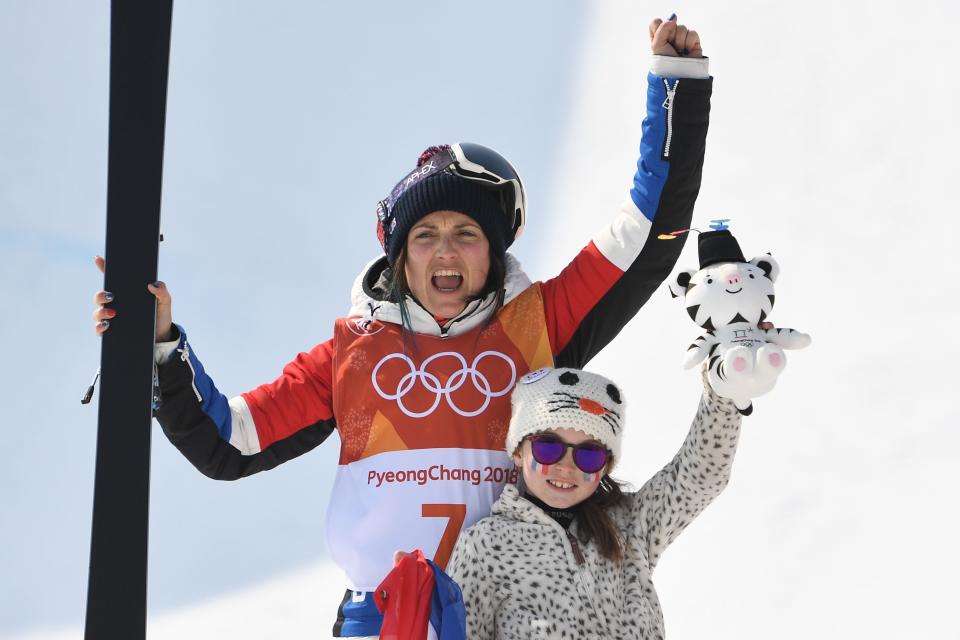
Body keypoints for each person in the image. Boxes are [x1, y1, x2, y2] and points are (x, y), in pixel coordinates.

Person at [91, 15, 712, 638]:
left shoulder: (539, 323)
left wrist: (675, 86)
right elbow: (229, 441)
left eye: (467, 234)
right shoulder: (351, 353)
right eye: (425, 236)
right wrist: (162, 349)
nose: (446, 252)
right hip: (383, 618)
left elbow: (645, 236)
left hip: (505, 612)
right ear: (400, 256)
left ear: (494, 253)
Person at [447, 366, 743, 639]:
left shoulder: (629, 524)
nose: (566, 466)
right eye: (548, 447)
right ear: (518, 452)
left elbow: (700, 477)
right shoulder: (485, 545)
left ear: (605, 466)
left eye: (588, 455)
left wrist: (724, 392)